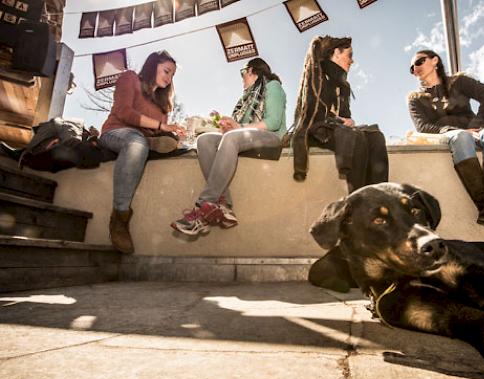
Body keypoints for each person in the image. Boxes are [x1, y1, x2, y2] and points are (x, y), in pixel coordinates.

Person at [171, 57, 286, 235]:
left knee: (231, 137)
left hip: (271, 137)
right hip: (246, 136)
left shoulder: (273, 86)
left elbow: (273, 122)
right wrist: (227, 125)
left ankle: (203, 207)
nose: (242, 78)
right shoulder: (245, 99)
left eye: (243, 73)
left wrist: (237, 128)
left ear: (253, 72)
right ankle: (223, 206)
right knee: (205, 140)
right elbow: (237, 130)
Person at [408, 49, 484, 227]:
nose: (415, 68)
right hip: (444, 134)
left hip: (473, 128)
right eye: (411, 68)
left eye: (419, 62)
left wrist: (476, 124)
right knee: (461, 137)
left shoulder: (459, 82)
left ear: (434, 60)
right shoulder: (415, 99)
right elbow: (423, 127)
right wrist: (453, 129)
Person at [100, 50, 185, 254]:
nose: (169, 77)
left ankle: (150, 143)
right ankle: (120, 216)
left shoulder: (163, 104)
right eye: (166, 70)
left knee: (148, 141)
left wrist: (175, 134)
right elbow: (124, 112)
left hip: (142, 138)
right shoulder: (129, 78)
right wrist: (161, 127)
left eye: (172, 75)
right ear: (152, 65)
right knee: (136, 141)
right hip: (116, 132)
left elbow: (160, 128)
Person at [291, 36, 388, 193]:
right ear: (336, 53)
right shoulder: (316, 74)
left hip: (336, 129)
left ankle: (377, 195)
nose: (352, 61)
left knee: (376, 136)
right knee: (357, 138)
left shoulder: (344, 86)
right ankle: (357, 199)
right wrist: (338, 120)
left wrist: (348, 120)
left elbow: (345, 116)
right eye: (349, 55)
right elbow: (312, 113)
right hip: (315, 129)